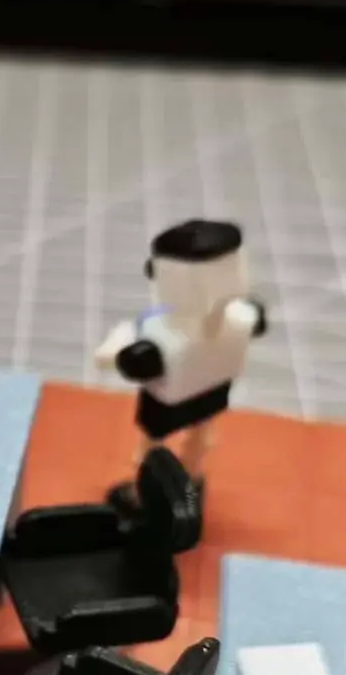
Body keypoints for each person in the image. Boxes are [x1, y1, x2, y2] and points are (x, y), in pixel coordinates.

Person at [93, 219, 267, 514]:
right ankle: (191, 482)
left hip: (171, 400)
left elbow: (135, 362)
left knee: (153, 444)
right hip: (213, 390)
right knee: (201, 434)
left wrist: (119, 351)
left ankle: (141, 493)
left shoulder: (162, 336)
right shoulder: (243, 318)